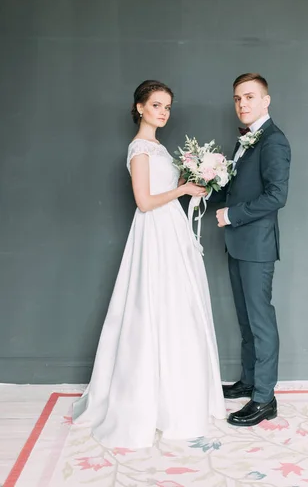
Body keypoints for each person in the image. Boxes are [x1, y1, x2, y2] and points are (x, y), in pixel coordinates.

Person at [72, 80, 226, 448]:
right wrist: (184, 189)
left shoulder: (158, 147)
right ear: (139, 107)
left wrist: (194, 180)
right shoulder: (139, 148)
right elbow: (144, 201)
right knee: (152, 307)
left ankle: (179, 395)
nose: (163, 112)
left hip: (172, 229)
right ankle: (146, 400)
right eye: (156, 105)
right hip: (154, 230)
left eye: (167, 107)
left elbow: (163, 191)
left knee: (178, 308)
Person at [214, 73, 291, 427]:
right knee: (246, 320)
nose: (242, 104)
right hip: (237, 244)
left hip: (256, 246)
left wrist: (231, 215)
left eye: (249, 97)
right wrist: (202, 187)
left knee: (261, 321)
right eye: (237, 99)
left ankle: (264, 398)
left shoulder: (273, 141)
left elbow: (277, 196)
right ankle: (249, 380)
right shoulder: (245, 140)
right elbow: (236, 189)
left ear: (266, 100)